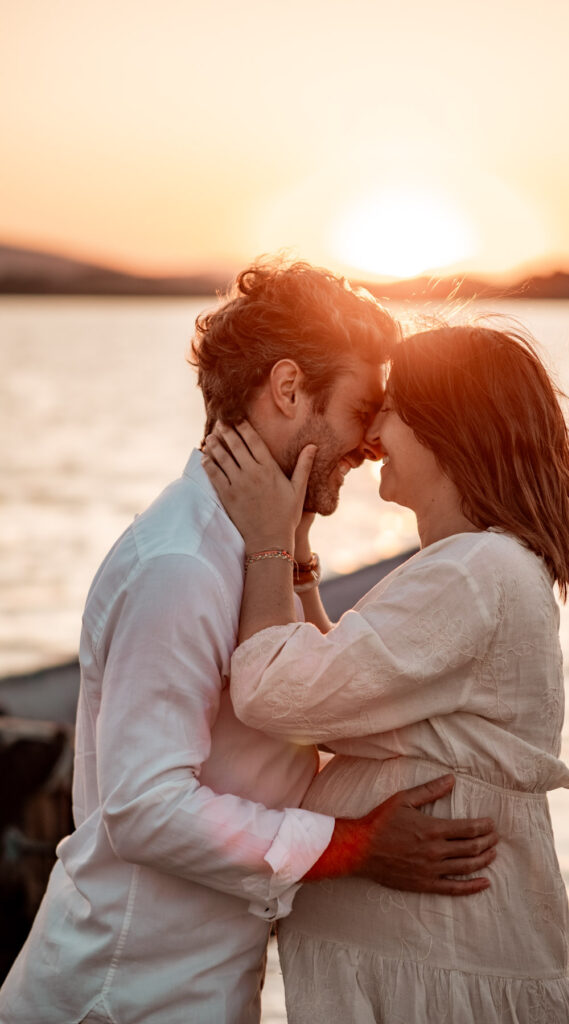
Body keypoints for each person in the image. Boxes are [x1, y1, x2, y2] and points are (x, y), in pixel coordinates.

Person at [0, 262, 498, 1024]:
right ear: (289, 389)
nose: (371, 443)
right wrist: (350, 846)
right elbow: (144, 806)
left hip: (199, 984)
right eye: (361, 407)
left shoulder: (251, 549)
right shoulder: (181, 564)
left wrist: (292, 547)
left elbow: (311, 708)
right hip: (121, 993)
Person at [202, 319, 569, 1023]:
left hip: (437, 978)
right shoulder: (478, 567)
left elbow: (275, 691)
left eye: (387, 410)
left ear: (443, 427)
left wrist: (266, 544)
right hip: (421, 971)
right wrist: (300, 558)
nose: (370, 439)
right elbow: (350, 698)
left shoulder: (476, 572)